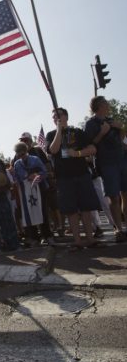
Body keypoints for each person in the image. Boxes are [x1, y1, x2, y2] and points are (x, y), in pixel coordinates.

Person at [47, 108, 100, 249]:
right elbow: (53, 150)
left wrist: (77, 153)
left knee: (86, 208)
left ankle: (90, 239)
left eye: (58, 115)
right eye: (53, 117)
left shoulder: (77, 132)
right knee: (71, 210)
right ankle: (77, 241)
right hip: (64, 177)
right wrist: (59, 130)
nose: (55, 118)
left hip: (81, 174)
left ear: (66, 116)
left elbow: (93, 149)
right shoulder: (51, 134)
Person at [84, 96, 127, 242]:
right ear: (99, 106)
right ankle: (118, 229)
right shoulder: (91, 124)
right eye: (105, 102)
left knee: (125, 194)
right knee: (113, 196)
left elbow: (121, 139)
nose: (108, 104)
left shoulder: (110, 119)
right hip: (107, 163)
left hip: (122, 160)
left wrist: (120, 129)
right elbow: (90, 145)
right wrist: (102, 132)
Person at [14, 141, 48, 246]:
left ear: (26, 151)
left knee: (42, 212)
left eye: (23, 154)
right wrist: (25, 177)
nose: (21, 156)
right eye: (18, 155)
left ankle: (47, 236)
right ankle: (34, 238)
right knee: (28, 213)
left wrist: (37, 175)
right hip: (26, 192)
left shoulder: (35, 159)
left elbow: (44, 171)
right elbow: (16, 178)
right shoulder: (17, 164)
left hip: (39, 188)